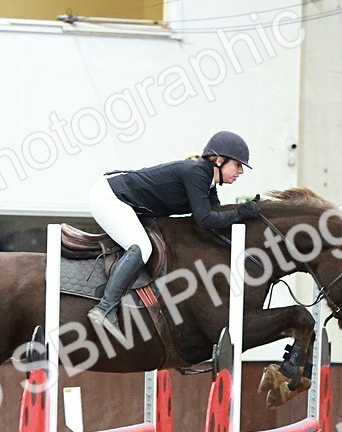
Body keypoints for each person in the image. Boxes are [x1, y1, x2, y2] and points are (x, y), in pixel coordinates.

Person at [86, 130, 261, 338]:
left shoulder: (208, 183)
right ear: (220, 160)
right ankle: (104, 309)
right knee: (142, 247)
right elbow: (204, 219)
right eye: (238, 165)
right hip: (109, 198)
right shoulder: (197, 173)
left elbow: (218, 219)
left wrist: (248, 218)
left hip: (128, 203)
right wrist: (241, 212)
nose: (240, 171)